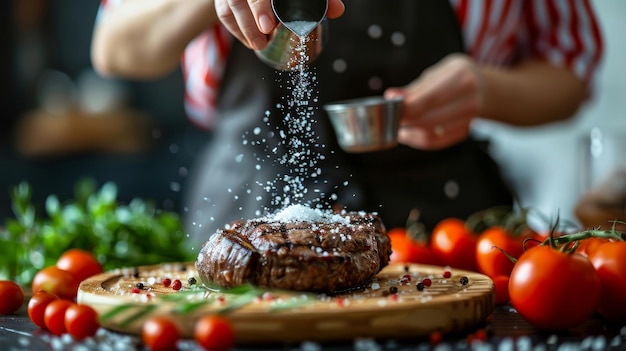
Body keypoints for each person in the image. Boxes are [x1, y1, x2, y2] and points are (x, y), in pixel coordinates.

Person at [91, 0, 603, 247]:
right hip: (246, 227)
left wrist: (488, 90)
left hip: (444, 237)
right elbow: (113, 48)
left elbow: (571, 74)